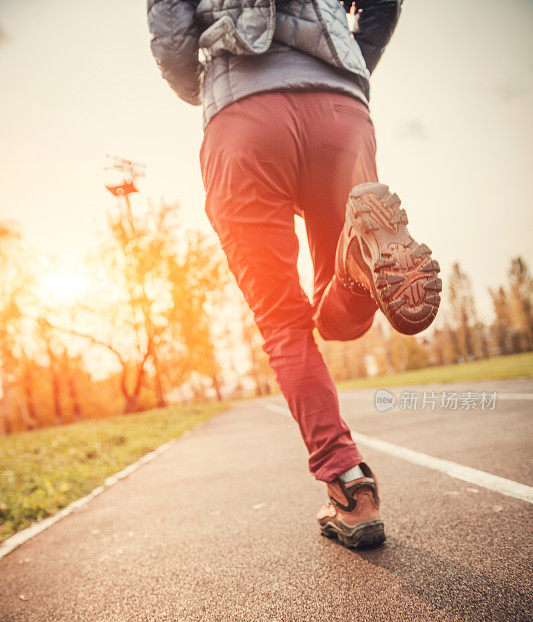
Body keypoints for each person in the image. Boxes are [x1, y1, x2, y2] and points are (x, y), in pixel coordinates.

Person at [147, 0, 442, 549]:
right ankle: (354, 271)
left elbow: (170, 34)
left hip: (243, 118)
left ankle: (350, 489)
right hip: (341, 112)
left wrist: (206, 86)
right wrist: (346, 61)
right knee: (341, 315)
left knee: (284, 323)